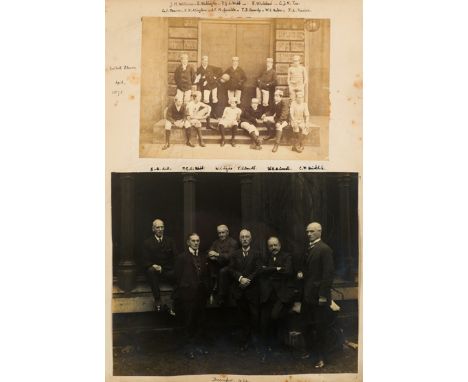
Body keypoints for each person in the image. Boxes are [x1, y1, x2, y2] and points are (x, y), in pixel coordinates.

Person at [300, 222, 334, 369]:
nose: (308, 234)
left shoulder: (324, 249)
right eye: (307, 232)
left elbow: (328, 275)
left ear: (320, 232)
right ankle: (311, 352)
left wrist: (323, 296)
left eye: (312, 231)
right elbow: (310, 270)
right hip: (307, 295)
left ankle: (323, 358)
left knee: (321, 328)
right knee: (307, 325)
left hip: (319, 297)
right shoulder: (310, 248)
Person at [173, 233, 210, 359]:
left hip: (201, 294)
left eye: (198, 240)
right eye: (193, 241)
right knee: (188, 321)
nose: (196, 243)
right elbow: (178, 278)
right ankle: (189, 348)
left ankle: (199, 346)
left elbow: (206, 275)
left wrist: (207, 291)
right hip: (187, 295)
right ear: (188, 242)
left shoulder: (203, 256)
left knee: (200, 321)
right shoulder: (181, 258)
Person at [259, 236, 294, 361]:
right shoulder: (266, 258)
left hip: (282, 295)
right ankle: (268, 348)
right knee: (264, 320)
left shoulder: (287, 256)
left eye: (275, 245)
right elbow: (261, 271)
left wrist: (269, 271)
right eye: (271, 246)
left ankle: (281, 344)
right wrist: (276, 269)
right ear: (268, 247)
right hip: (269, 295)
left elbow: (288, 271)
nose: (273, 248)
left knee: (275, 316)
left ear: (280, 245)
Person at [228, 229, 263, 351]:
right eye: (242, 237)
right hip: (239, 291)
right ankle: (244, 342)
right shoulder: (234, 254)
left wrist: (248, 280)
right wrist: (240, 278)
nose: (244, 239)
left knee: (255, 317)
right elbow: (231, 270)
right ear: (239, 239)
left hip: (252, 291)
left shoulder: (257, 254)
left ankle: (255, 342)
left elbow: (259, 269)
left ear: (251, 239)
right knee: (242, 318)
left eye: (247, 236)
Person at [141, 219, 177, 314]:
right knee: (150, 271)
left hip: (167, 271)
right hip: (155, 271)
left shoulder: (170, 241)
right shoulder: (147, 243)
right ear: (153, 229)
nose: (160, 229)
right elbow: (145, 259)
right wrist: (153, 265)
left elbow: (175, 257)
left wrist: (168, 268)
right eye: (158, 227)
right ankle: (158, 300)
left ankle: (175, 300)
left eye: (162, 227)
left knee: (180, 274)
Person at [207, 224, 239, 304]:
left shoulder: (233, 243)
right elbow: (209, 251)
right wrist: (211, 256)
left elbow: (229, 256)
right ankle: (210, 292)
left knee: (222, 271)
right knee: (208, 267)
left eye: (223, 232)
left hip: (230, 266)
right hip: (217, 265)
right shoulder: (216, 242)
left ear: (227, 232)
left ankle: (221, 297)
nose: (221, 235)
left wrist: (217, 255)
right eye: (219, 233)